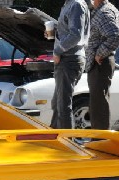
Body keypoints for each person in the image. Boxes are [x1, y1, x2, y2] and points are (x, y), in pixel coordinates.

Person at [86, 0, 119, 129]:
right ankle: (99, 140)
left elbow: (116, 36)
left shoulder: (104, 12)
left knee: (99, 105)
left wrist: (100, 53)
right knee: (97, 103)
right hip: (100, 62)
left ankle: (100, 142)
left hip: (100, 63)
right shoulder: (107, 9)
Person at [50, 0, 90, 129]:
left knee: (63, 105)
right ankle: (55, 138)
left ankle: (66, 143)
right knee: (57, 103)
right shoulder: (70, 4)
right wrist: (55, 33)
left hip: (69, 59)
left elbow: (76, 35)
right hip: (69, 59)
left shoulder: (76, 5)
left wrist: (57, 51)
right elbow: (70, 31)